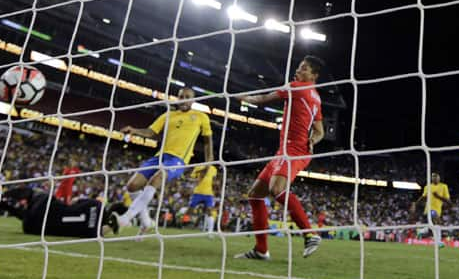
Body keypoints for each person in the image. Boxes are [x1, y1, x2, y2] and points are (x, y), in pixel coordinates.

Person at [234, 55, 326, 260]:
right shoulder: (316, 97)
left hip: (294, 150)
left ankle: (310, 234)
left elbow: (263, 99)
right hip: (288, 150)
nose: (298, 71)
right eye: (299, 67)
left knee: (276, 189)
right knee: (255, 194)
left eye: (304, 69)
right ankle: (261, 250)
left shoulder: (296, 87)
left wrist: (243, 98)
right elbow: (320, 131)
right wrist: (314, 140)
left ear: (314, 75)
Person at [112, 88, 213, 235]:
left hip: (178, 160)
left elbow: (207, 142)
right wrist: (134, 130)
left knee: (157, 178)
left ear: (193, 100)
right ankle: (146, 221)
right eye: (181, 97)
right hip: (159, 157)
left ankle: (126, 218)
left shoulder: (201, 117)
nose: (184, 99)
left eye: (187, 97)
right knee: (132, 186)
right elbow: (151, 132)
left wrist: (208, 162)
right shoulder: (168, 115)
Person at [0, 187, 118, 238]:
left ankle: (2, 194)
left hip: (45, 207)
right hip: (35, 228)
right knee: (29, 218)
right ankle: (4, 205)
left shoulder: (95, 204)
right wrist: (112, 226)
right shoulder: (93, 234)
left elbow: (74, 202)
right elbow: (104, 230)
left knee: (33, 193)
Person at [411, 172, 452, 245]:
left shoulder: (444, 187)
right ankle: (438, 242)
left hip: (438, 209)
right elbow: (423, 197)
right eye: (433, 177)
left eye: (436, 176)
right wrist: (415, 204)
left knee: (433, 226)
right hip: (429, 209)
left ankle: (420, 231)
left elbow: (448, 201)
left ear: (439, 178)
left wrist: (438, 196)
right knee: (437, 222)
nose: (434, 178)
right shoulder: (427, 187)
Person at [188, 165, 218, 235]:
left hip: (208, 193)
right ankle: (183, 223)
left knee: (209, 211)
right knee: (190, 209)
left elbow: (214, 180)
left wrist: (215, 187)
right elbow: (193, 177)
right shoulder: (198, 167)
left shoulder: (213, 168)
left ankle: (210, 232)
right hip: (198, 192)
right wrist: (195, 180)